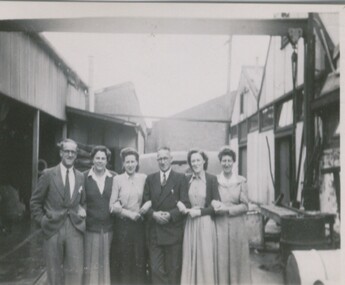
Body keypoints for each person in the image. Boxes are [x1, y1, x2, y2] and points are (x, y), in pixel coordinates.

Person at [30, 138, 86, 285]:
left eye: (73, 152)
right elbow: (35, 202)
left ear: (76, 155)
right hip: (53, 229)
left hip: (75, 228)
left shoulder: (80, 176)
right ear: (61, 153)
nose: (70, 154)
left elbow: (83, 201)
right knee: (54, 273)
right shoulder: (48, 174)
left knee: (75, 271)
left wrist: (82, 210)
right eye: (67, 151)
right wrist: (43, 221)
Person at [142, 146, 190, 285]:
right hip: (155, 233)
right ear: (157, 160)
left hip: (173, 232)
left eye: (165, 158)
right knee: (155, 269)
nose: (163, 161)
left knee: (173, 270)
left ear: (171, 159)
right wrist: (154, 215)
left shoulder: (181, 178)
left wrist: (170, 215)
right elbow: (146, 203)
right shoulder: (150, 179)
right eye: (160, 159)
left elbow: (185, 203)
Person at [109, 147, 150, 285]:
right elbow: (112, 205)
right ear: (123, 164)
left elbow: (150, 198)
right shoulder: (117, 179)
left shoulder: (144, 178)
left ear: (137, 163)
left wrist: (146, 206)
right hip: (123, 225)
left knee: (139, 259)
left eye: (133, 161)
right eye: (127, 162)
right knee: (124, 261)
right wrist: (128, 214)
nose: (130, 164)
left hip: (140, 225)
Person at [212, 146, 251, 284]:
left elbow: (245, 206)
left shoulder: (241, 181)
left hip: (237, 226)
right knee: (221, 258)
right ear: (220, 162)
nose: (226, 163)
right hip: (220, 225)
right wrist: (215, 206)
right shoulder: (215, 181)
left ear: (233, 162)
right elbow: (212, 200)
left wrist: (228, 210)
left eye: (229, 161)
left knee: (237, 259)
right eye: (224, 161)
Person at [180, 149, 219, 285]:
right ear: (190, 164)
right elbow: (183, 200)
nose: (195, 163)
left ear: (204, 161)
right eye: (193, 161)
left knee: (205, 258)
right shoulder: (186, 180)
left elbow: (216, 207)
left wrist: (200, 212)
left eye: (198, 160)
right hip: (190, 224)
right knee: (190, 257)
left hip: (205, 224)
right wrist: (183, 206)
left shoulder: (212, 179)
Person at [83, 145, 115, 285]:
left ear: (107, 160)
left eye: (103, 158)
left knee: (107, 263)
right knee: (91, 263)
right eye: (97, 158)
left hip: (110, 228)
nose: (100, 161)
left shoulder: (114, 177)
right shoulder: (83, 177)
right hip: (90, 228)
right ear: (92, 159)